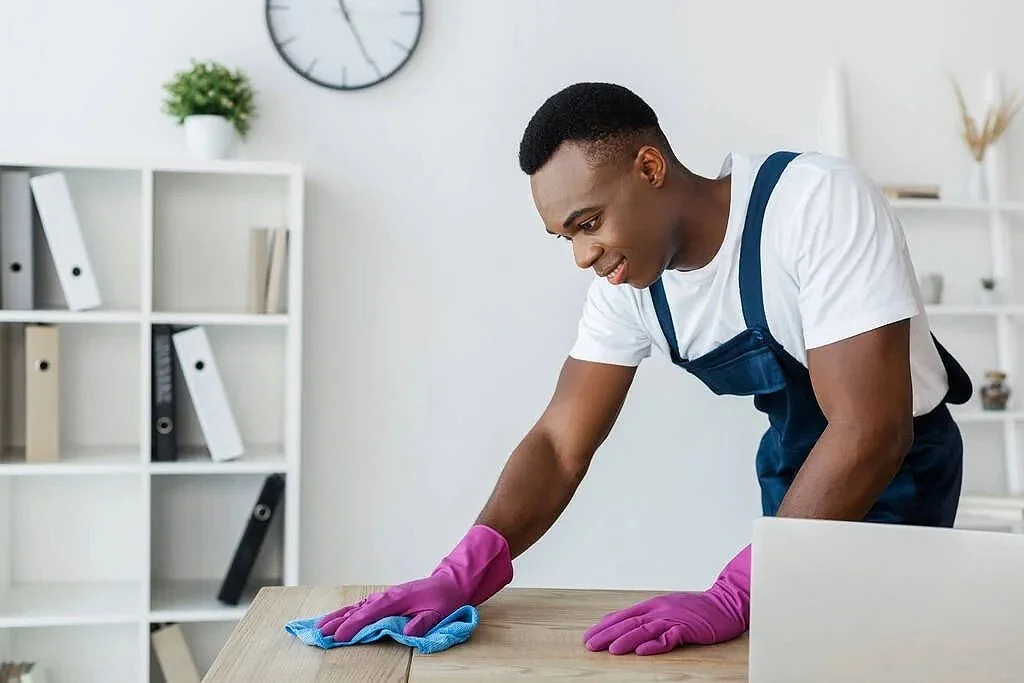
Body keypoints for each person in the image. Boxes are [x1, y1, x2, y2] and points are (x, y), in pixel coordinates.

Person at [316, 82, 972, 656]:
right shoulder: (629, 288)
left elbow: (870, 431)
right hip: (797, 478)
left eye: (588, 222)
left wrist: (740, 588)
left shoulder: (814, 204)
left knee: (873, 656)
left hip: (899, 468)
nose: (581, 255)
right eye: (566, 237)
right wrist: (467, 565)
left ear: (650, 167)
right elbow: (558, 442)